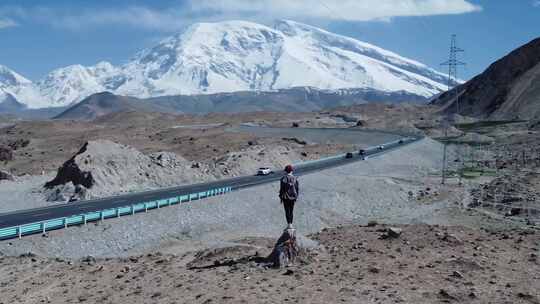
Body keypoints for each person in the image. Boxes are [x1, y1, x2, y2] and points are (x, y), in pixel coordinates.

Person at [279, 164, 299, 229]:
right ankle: (291, 224)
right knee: (291, 211)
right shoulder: (295, 179)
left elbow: (282, 188)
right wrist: (296, 197)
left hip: (286, 197)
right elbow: (297, 188)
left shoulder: (284, 178)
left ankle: (289, 224)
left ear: (286, 171)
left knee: (287, 211)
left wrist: (280, 196)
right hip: (293, 197)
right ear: (291, 171)